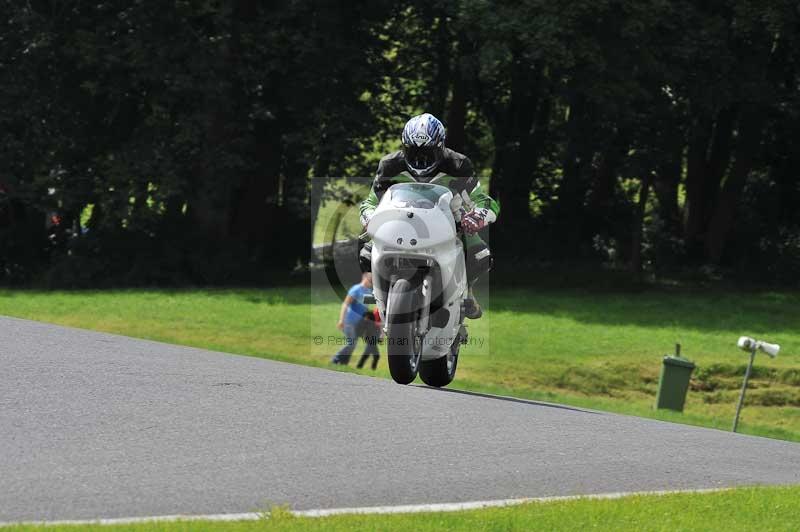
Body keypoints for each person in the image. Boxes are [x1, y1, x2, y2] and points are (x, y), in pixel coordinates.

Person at [358, 113, 499, 319]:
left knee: (481, 257)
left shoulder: (458, 165)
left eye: (427, 153)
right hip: (399, 224)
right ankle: (382, 298)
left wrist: (476, 217)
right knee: (366, 254)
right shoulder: (390, 165)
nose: (419, 159)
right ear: (404, 147)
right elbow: (370, 202)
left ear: (440, 147)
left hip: (451, 223)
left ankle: (466, 293)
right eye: (413, 152)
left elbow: (484, 201)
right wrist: (371, 218)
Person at [330, 272, 373, 365]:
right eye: (370, 280)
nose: (371, 283)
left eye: (372, 281)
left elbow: (365, 307)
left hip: (358, 323)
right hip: (349, 321)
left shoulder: (368, 292)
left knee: (353, 344)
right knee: (351, 343)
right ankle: (335, 359)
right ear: (365, 279)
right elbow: (345, 304)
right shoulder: (356, 289)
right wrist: (341, 320)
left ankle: (343, 363)